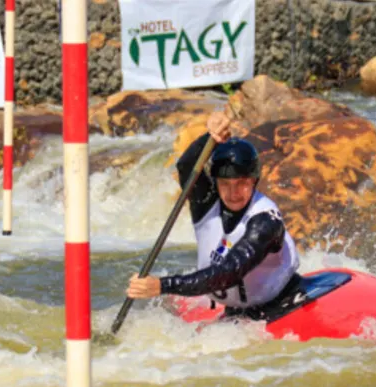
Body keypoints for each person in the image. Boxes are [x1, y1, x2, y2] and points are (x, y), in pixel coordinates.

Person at [125, 110, 301, 321]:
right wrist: (211, 138)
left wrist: (163, 286)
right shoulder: (207, 203)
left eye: (241, 184)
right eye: (225, 184)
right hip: (235, 310)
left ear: (253, 181)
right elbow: (187, 168)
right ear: (216, 183)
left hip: (282, 303)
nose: (233, 193)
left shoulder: (265, 221)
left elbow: (229, 272)